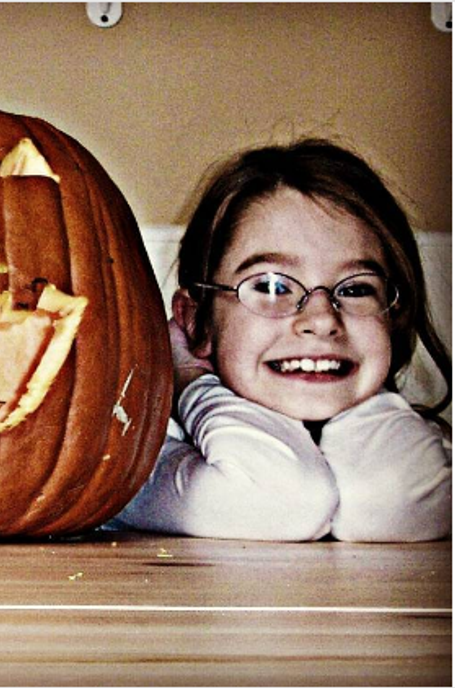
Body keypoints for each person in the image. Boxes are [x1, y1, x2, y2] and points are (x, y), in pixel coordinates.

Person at [106, 139, 451, 542]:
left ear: (392, 317)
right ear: (198, 323)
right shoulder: (134, 457)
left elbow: (397, 504)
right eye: (272, 286)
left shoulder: (422, 449)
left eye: (356, 289)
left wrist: (367, 392)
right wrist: (192, 382)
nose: (321, 320)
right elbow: (281, 500)